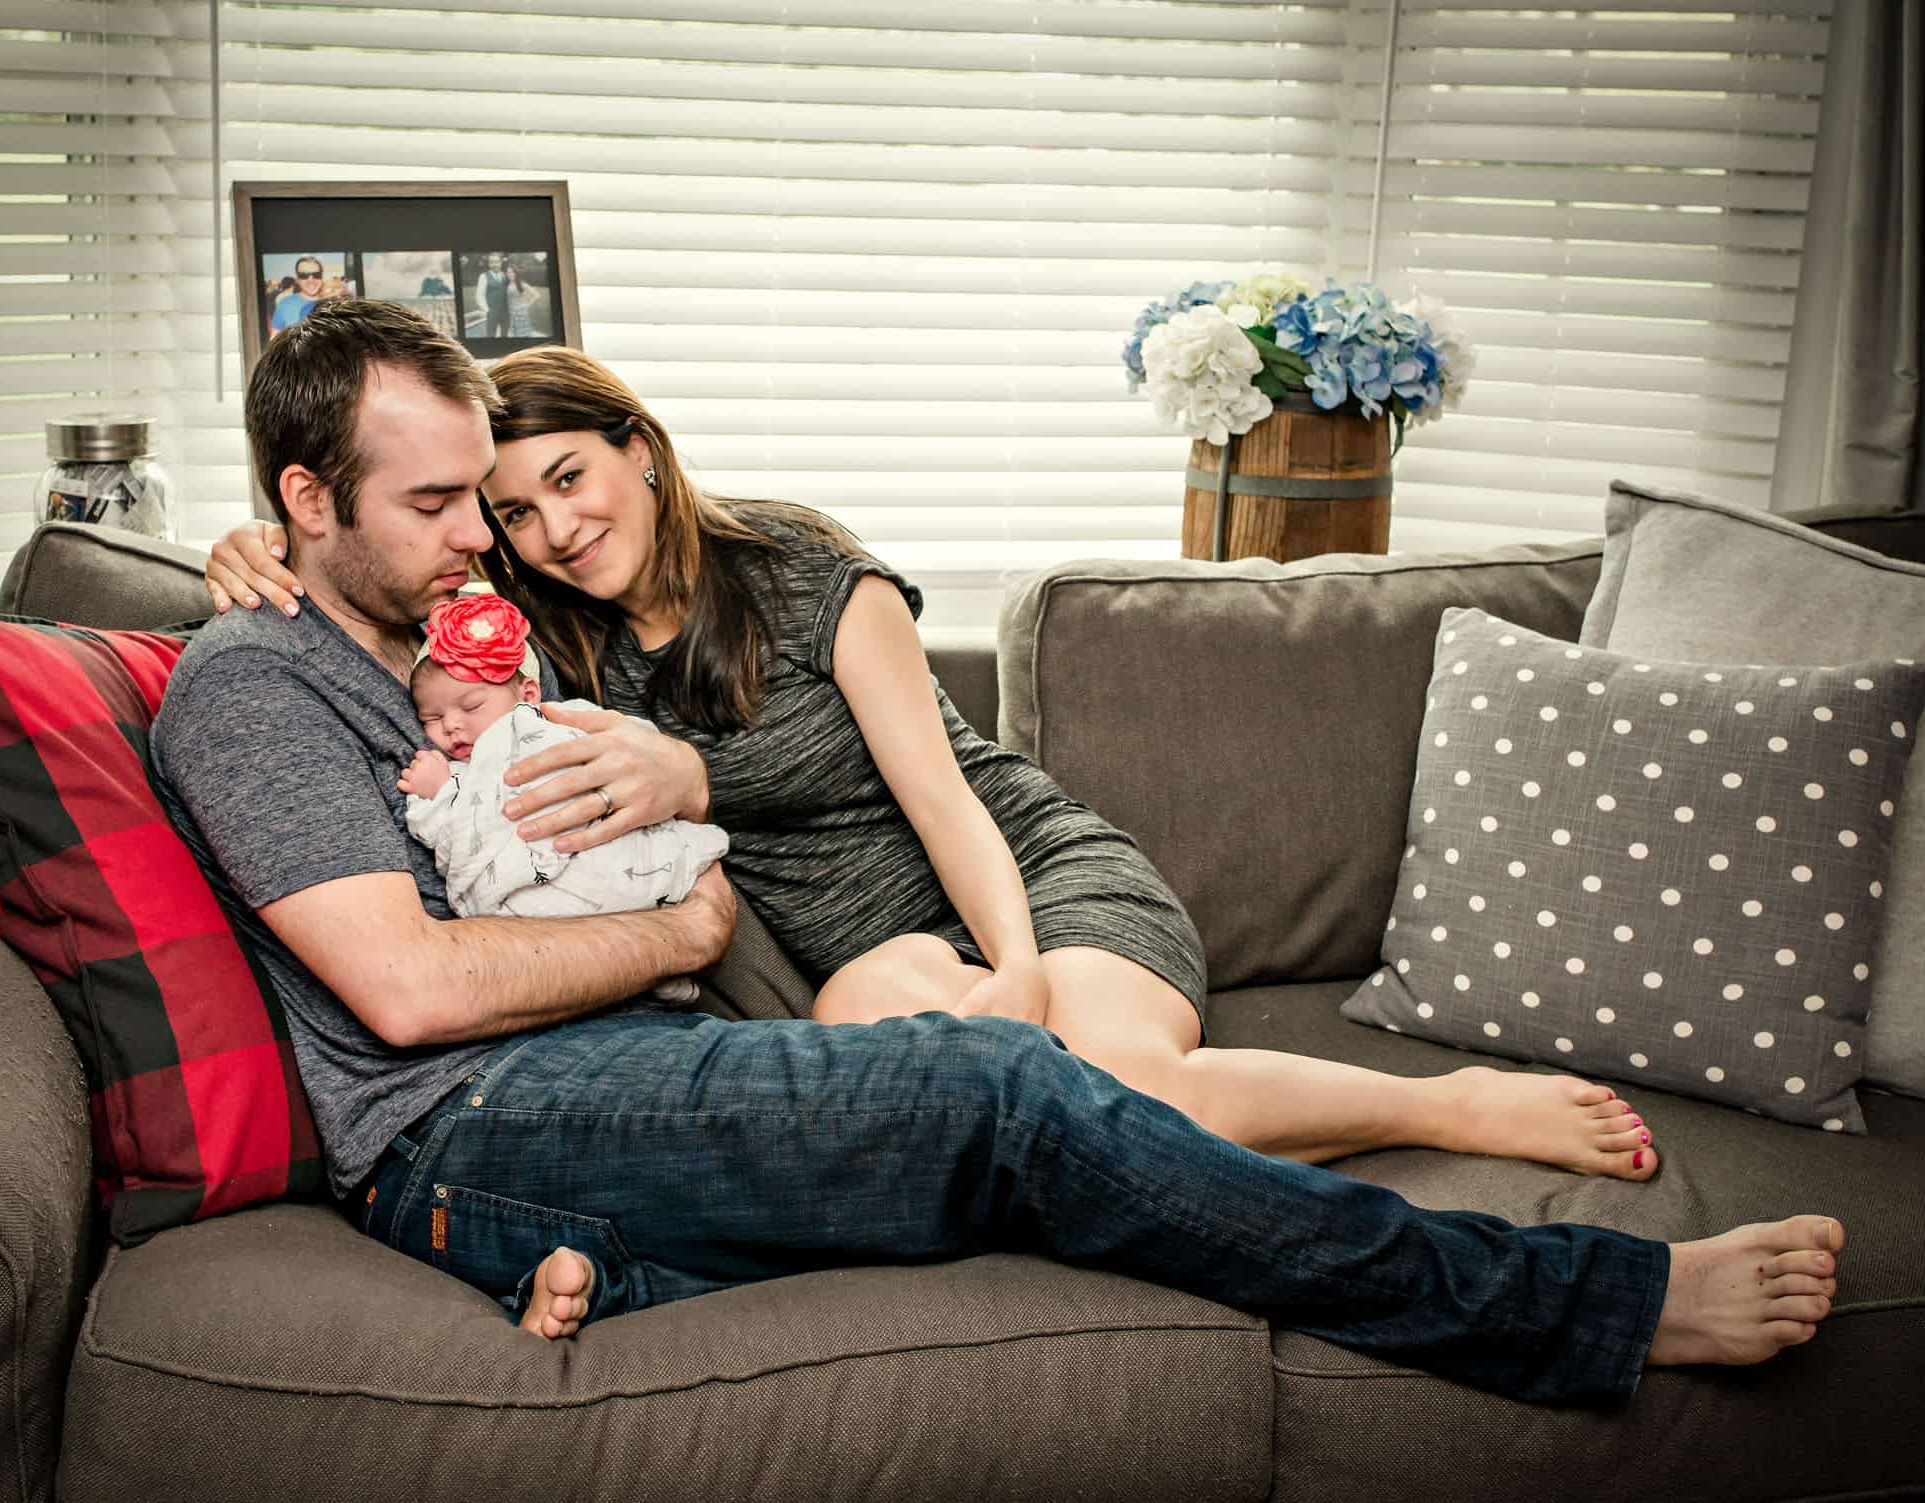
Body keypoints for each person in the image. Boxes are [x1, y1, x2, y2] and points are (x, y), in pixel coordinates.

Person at [161, 298, 1844, 1396]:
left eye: (502, 496)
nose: (494, 540)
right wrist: (684, 933)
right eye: (450, 506)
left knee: (1008, 1100)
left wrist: (979, 960)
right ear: (311, 503)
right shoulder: (271, 672)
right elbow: (406, 991)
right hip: (486, 1104)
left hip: (697, 1020)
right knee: (998, 1098)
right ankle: (1584, 1304)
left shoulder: (495, 619)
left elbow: (907, 803)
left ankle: (610, 1262)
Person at [209, 351, 1671, 1189]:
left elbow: (949, 799)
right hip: (860, 952)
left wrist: (1021, 967)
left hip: (1027, 879)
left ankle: (1443, 1107)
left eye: (570, 479)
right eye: (514, 512)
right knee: (937, 1105)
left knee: (1116, 1084)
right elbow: (372, 580)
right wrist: (252, 543)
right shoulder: (539, 628)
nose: (551, 529)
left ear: (639, 451)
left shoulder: (802, 569)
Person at [401, 592, 727, 1001]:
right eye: (431, 718)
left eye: (472, 705)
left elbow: (634, 751)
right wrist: (436, 792)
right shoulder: (458, 777)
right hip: (539, 904)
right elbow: (449, 835)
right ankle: (641, 970)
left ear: (528, 695)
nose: (450, 726)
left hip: (602, 849)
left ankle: (652, 942)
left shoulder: (557, 721)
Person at [271, 257, 337, 334]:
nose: (311, 280)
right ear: (298, 279)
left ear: (321, 277)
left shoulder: (335, 304)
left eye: (316, 275)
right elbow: (274, 337)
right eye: (304, 276)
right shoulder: (284, 305)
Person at [476, 255, 512, 339]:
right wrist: (487, 310)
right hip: (492, 311)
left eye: (497, 262)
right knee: (491, 335)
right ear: (489, 264)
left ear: (500, 263)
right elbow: (479, 295)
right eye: (492, 262)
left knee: (505, 334)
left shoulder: (505, 275)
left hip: (505, 312)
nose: (495, 264)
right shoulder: (484, 276)